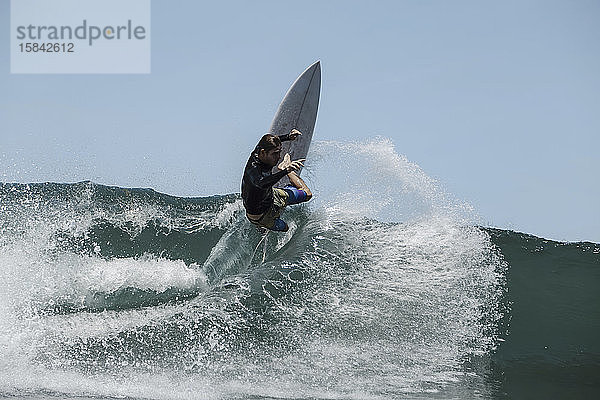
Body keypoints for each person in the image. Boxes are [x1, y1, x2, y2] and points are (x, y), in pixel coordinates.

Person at [241, 128, 313, 232]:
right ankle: (285, 169)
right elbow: (260, 184)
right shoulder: (253, 170)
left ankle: (287, 183)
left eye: (279, 152)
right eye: (275, 154)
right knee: (286, 228)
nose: (278, 157)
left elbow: (268, 142)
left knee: (308, 194)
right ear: (263, 153)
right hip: (263, 217)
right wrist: (286, 171)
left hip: (272, 196)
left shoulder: (260, 149)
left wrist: (288, 137)